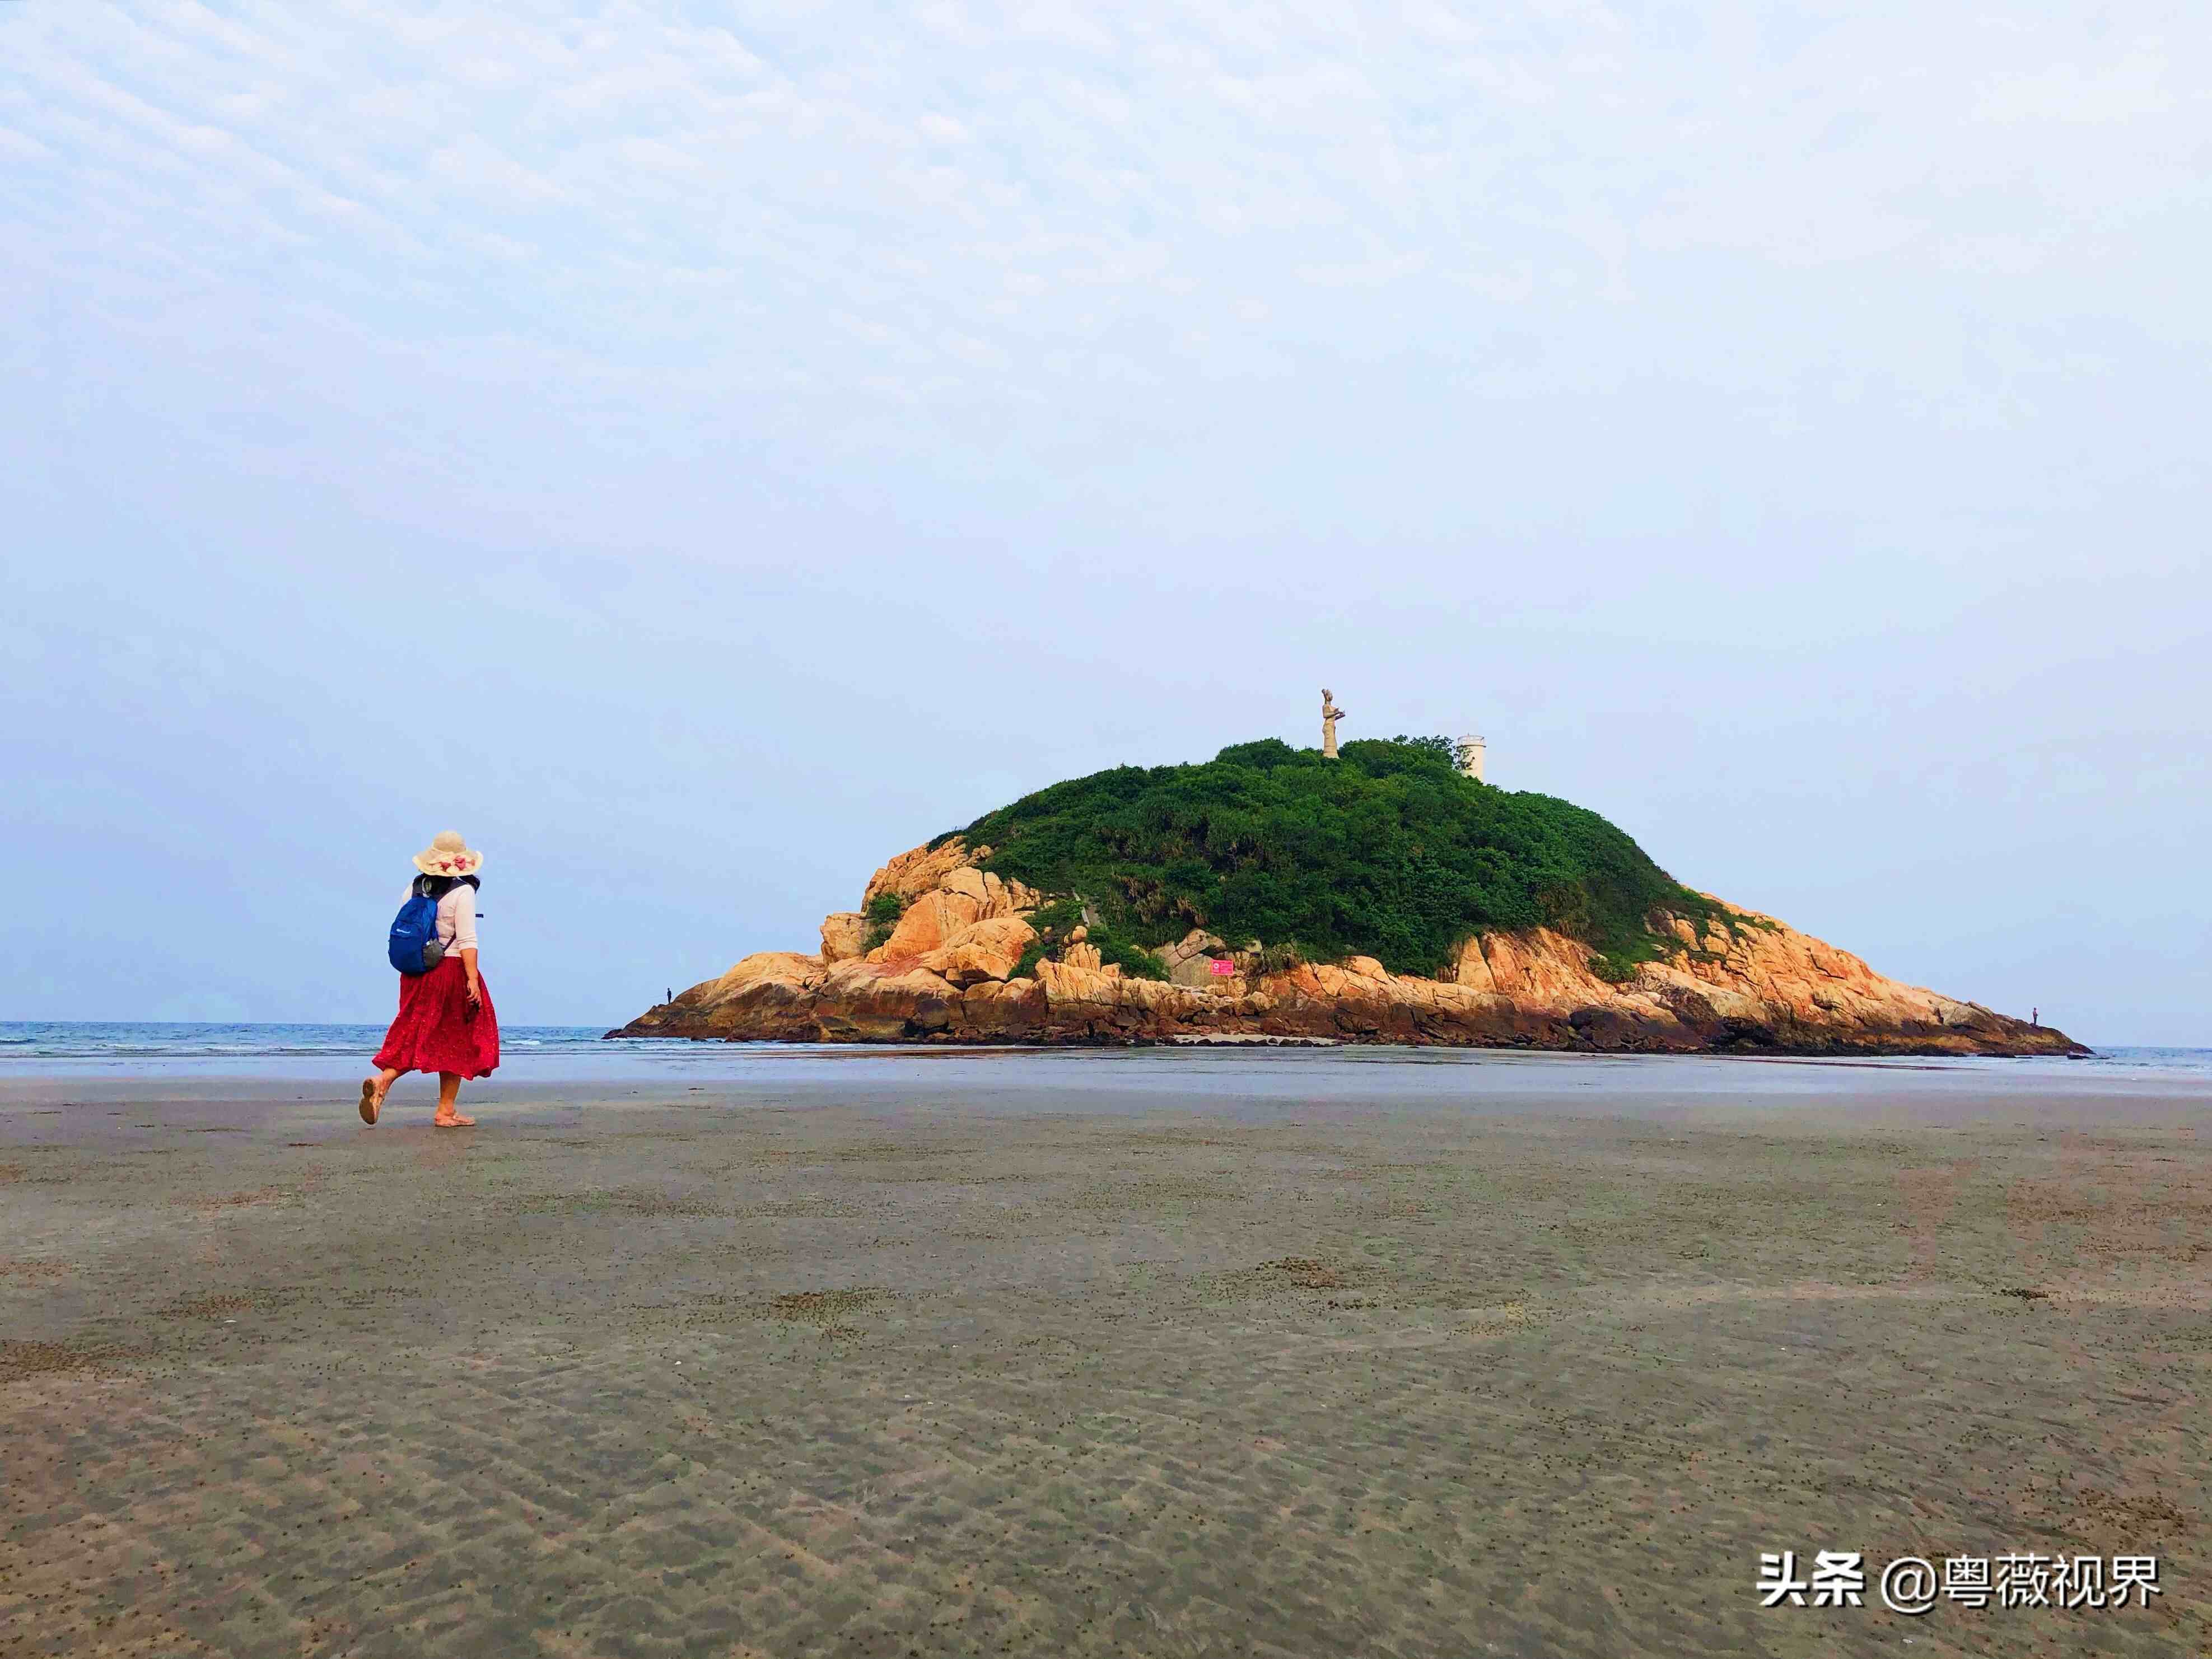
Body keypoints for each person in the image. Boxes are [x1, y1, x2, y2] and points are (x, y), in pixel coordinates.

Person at [360, 831, 499, 1128]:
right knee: (458, 1038)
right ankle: (443, 1110)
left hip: (415, 974)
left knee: (415, 1032)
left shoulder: (412, 889)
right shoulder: (463, 892)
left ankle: (384, 1080)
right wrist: (472, 979)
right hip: (450, 971)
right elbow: (467, 939)